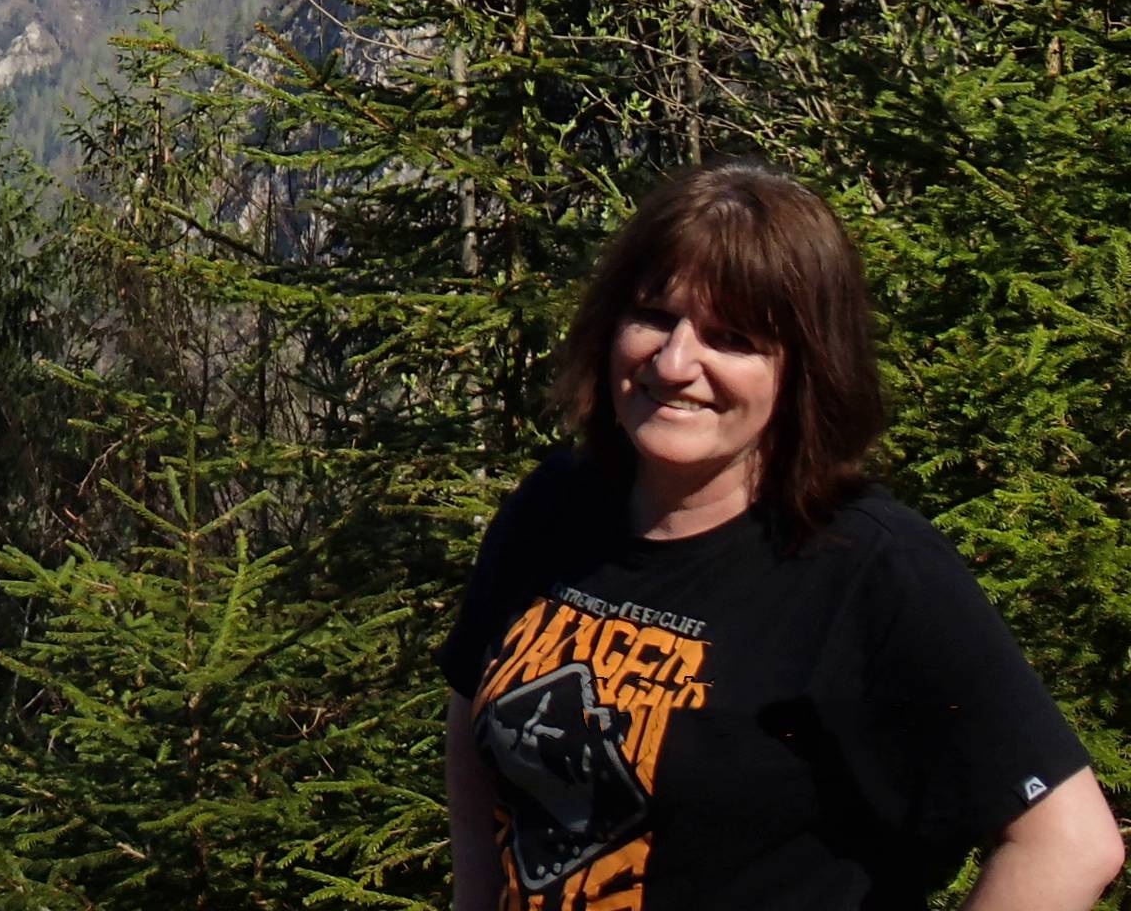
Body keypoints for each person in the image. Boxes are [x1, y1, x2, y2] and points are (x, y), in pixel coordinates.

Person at [440, 162, 1123, 910]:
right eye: (655, 317)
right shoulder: (556, 509)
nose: (675, 363)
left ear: (805, 368)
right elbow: (476, 764)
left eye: (732, 338)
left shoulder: (871, 567)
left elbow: (1071, 841)